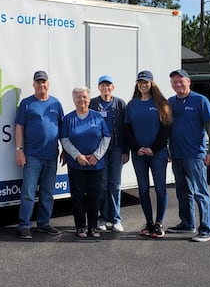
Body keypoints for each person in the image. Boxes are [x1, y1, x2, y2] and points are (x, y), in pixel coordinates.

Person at [167, 69, 210, 242]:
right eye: (174, 82)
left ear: (188, 82)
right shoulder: (171, 102)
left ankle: (206, 229)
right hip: (177, 154)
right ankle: (187, 223)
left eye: (181, 81)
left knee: (200, 192)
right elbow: (168, 128)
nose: (178, 84)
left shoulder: (200, 100)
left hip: (195, 155)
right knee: (182, 191)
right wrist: (168, 150)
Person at [14, 70, 64, 239]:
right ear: (33, 84)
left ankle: (43, 224)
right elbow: (19, 127)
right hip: (32, 156)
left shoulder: (56, 103)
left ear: (48, 84)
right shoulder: (27, 103)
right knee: (28, 193)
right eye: (38, 82)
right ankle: (24, 225)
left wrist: (65, 149)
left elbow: (62, 128)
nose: (41, 84)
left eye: (44, 82)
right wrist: (19, 150)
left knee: (47, 193)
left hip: (51, 155)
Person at [124, 70, 172, 238]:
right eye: (140, 82)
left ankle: (159, 223)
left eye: (146, 82)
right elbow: (127, 129)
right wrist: (136, 147)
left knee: (160, 188)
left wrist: (154, 148)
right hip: (139, 154)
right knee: (143, 189)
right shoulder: (132, 104)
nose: (143, 85)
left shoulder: (161, 103)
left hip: (157, 154)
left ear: (152, 83)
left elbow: (166, 128)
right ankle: (149, 222)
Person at [60, 87, 111, 239]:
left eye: (84, 97)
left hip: (96, 164)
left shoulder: (97, 117)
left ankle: (93, 227)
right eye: (78, 97)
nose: (81, 100)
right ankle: (80, 226)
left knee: (94, 195)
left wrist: (97, 156)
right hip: (77, 164)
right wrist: (77, 156)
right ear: (73, 100)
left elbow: (106, 137)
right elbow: (64, 139)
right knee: (77, 195)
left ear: (89, 99)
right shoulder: (68, 119)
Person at [89, 75, 129, 232]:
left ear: (113, 87)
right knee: (102, 185)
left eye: (108, 85)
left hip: (117, 149)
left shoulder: (120, 103)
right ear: (98, 88)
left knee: (115, 184)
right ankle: (103, 218)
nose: (105, 88)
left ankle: (116, 218)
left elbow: (126, 128)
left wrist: (126, 150)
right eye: (102, 85)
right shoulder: (93, 103)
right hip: (100, 151)